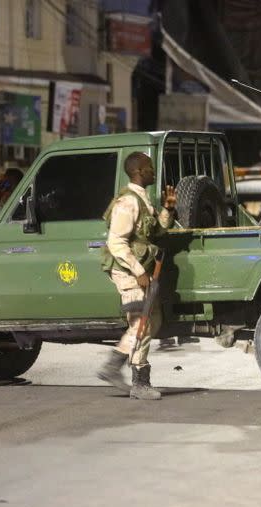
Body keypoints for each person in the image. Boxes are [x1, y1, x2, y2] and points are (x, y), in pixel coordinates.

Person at [97, 152, 177, 400]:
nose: (154, 171)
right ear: (139, 171)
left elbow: (158, 231)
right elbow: (116, 242)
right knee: (142, 322)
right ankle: (130, 376)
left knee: (150, 320)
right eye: (150, 168)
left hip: (138, 269)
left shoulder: (142, 199)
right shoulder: (128, 202)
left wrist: (168, 209)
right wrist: (139, 272)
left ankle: (124, 371)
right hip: (128, 271)